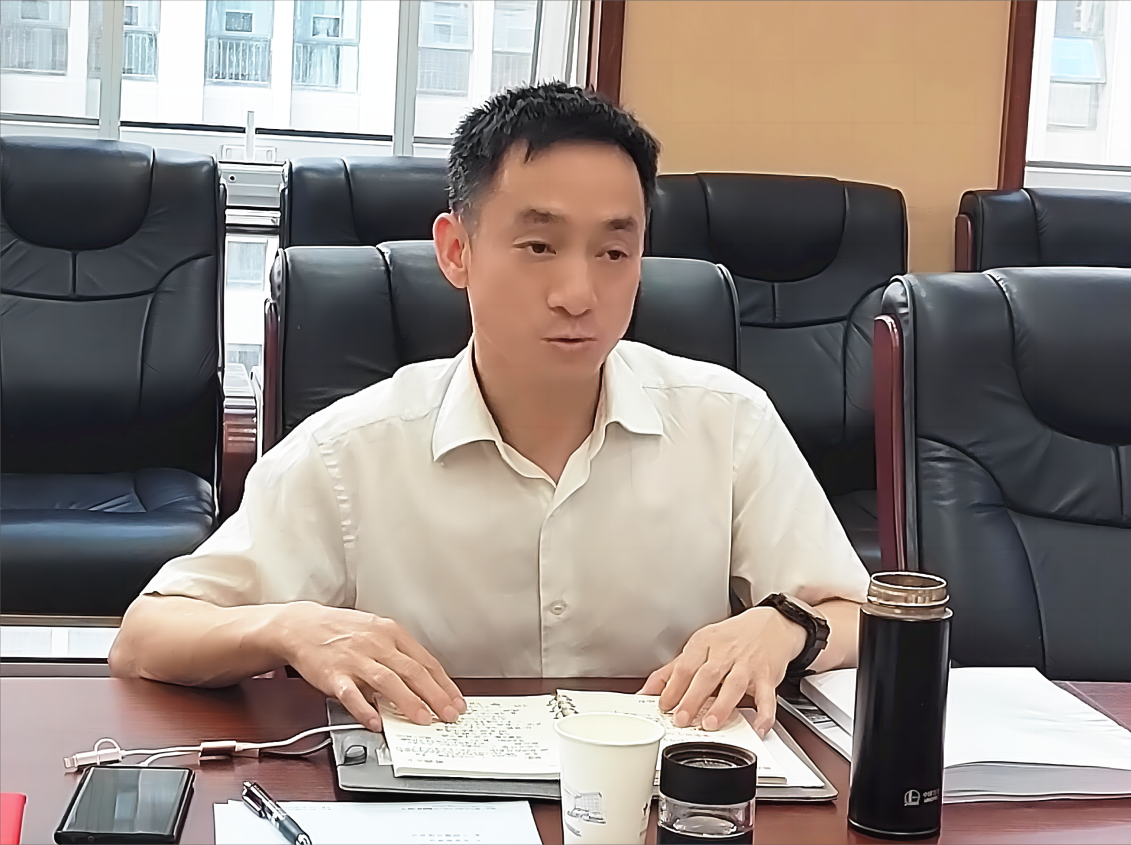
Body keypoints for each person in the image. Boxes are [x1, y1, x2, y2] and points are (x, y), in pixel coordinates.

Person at [109, 82, 869, 738]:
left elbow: (858, 610)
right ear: (456, 251)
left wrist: (785, 625)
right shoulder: (353, 450)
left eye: (613, 253)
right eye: (539, 246)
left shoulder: (728, 422)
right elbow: (147, 634)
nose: (578, 294)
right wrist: (288, 625)